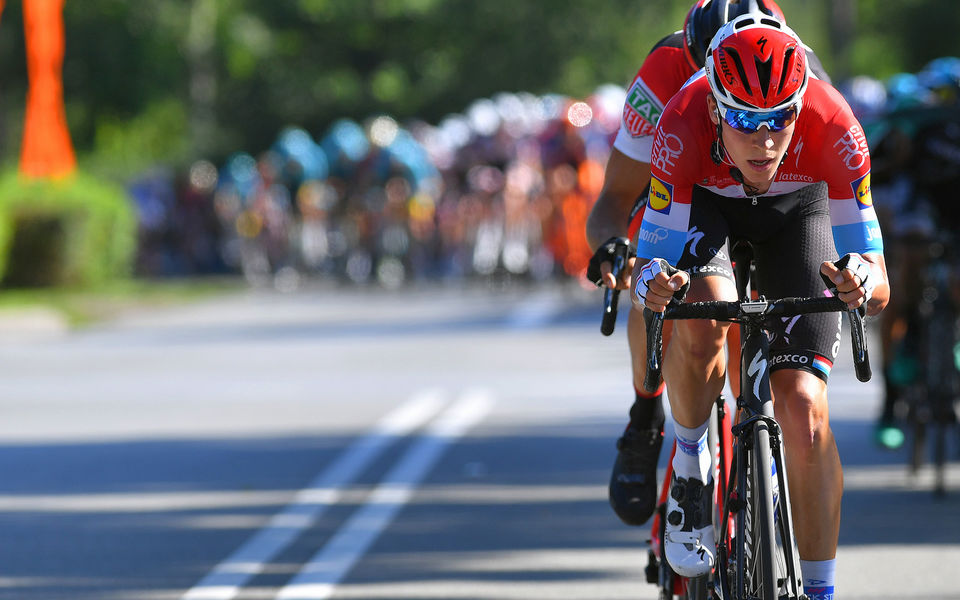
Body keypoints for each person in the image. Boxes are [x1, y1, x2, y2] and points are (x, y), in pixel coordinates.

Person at [629, 14, 889, 600]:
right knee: (706, 315)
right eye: (745, 120)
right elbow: (652, 266)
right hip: (707, 207)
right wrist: (657, 287)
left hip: (799, 213)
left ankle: (820, 589)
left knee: (803, 407)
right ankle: (692, 465)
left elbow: (878, 280)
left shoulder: (835, 125)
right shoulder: (680, 124)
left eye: (780, 120)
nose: (766, 139)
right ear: (717, 109)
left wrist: (860, 280)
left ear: (802, 105)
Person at [585, 0, 830, 528]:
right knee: (649, 276)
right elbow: (617, 194)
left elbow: (832, 180)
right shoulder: (663, 74)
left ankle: (756, 465)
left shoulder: (798, 66)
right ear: (694, 57)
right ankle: (645, 413)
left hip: (772, 199)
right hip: (682, 187)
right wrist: (613, 247)